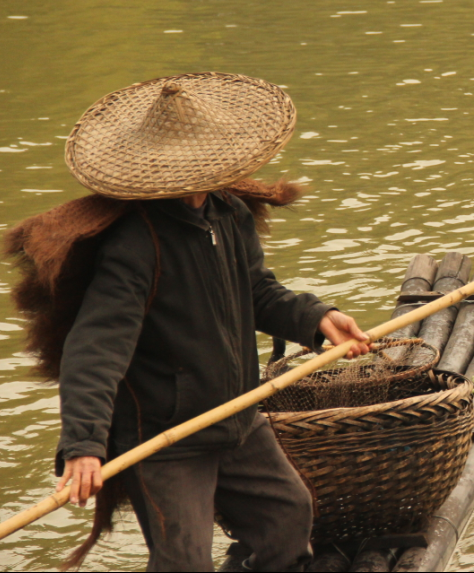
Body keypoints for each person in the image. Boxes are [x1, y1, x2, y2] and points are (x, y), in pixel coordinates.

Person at [9, 73, 369, 571]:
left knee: (288, 520)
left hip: (236, 415)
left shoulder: (229, 211)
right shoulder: (135, 243)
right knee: (184, 561)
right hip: (165, 435)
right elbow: (96, 348)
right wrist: (84, 444)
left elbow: (257, 290)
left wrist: (318, 317)